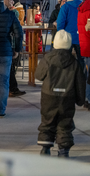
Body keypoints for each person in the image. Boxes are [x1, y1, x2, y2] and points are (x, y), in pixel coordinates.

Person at [36, 30, 85, 158]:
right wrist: (80, 100)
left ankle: (45, 147)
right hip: (67, 97)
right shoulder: (74, 63)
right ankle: (63, 151)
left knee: (47, 121)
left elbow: (39, 75)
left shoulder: (48, 59)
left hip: (48, 96)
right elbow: (80, 83)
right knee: (65, 123)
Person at [57, 0, 84, 68]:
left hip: (68, 37)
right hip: (81, 36)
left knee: (66, 59)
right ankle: (81, 78)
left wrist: (60, 34)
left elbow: (60, 22)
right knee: (81, 60)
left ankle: (68, 78)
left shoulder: (65, 6)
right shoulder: (83, 5)